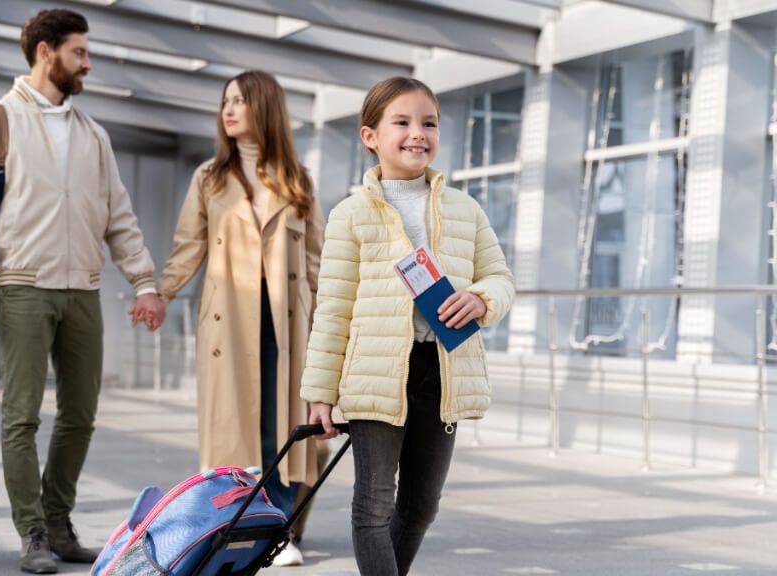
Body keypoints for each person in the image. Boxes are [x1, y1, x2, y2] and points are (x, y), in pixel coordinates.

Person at [0, 9, 165, 574]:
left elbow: (119, 217)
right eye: (79, 52)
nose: (87, 63)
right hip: (21, 287)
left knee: (80, 415)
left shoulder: (94, 135)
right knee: (21, 417)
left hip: (83, 290)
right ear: (46, 52)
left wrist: (144, 282)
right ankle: (33, 532)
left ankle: (59, 521)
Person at [301, 77, 515, 576]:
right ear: (370, 136)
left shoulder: (465, 209)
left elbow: (500, 277)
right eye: (402, 122)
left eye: (429, 123)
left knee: (421, 506)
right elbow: (332, 309)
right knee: (373, 505)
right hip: (375, 373)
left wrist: (481, 299)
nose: (418, 133)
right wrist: (320, 393)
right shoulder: (350, 215)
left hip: (443, 370)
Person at [145, 70, 323, 566]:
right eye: (225, 101)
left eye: (239, 100)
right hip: (229, 322)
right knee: (233, 430)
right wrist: (160, 292)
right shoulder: (209, 177)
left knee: (282, 427)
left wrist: (336, 322)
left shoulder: (297, 179)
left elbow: (317, 259)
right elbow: (189, 246)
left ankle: (280, 528)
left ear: (264, 107)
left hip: (287, 322)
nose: (228, 109)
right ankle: (236, 523)